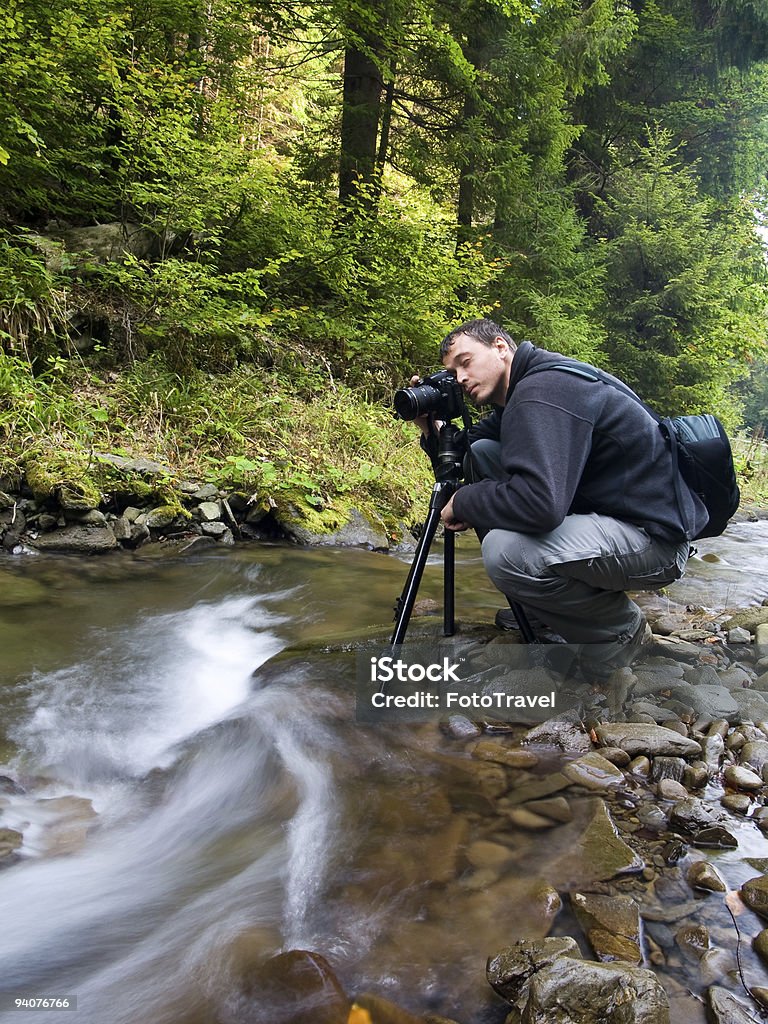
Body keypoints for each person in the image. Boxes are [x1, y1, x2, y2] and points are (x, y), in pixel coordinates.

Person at [415, 318, 708, 675]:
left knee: (505, 554)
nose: (460, 377)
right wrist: (432, 429)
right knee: (486, 453)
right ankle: (548, 611)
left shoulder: (543, 391)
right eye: (452, 371)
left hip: (655, 542)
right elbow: (465, 455)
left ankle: (621, 632)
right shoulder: (523, 392)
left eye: (466, 361)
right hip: (613, 522)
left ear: (500, 347)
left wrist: (464, 501)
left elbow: (539, 506)